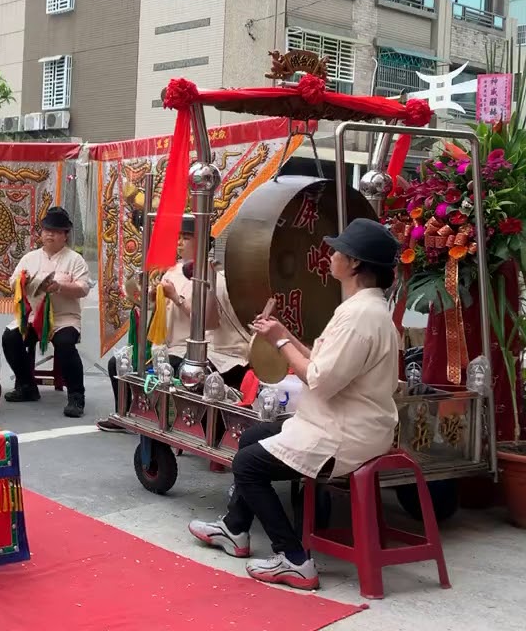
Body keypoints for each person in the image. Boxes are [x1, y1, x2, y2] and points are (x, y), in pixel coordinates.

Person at [189, 218, 401, 590]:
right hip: (343, 421)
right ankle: (236, 529)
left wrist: (281, 343)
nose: (330, 255)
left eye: (338, 250)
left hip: (344, 432)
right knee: (254, 436)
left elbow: (320, 378)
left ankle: (294, 558)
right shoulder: (364, 309)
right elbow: (322, 364)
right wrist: (282, 334)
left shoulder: (360, 316)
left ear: (353, 264)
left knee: (247, 465)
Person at [99, 213, 251, 432]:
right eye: (179, 237)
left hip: (187, 347)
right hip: (166, 343)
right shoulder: (173, 270)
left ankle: (161, 417)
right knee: (118, 363)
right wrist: (154, 297)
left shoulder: (213, 277)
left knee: (167, 367)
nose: (179, 242)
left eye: (187, 237)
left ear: (202, 243)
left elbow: (208, 324)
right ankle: (125, 412)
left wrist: (175, 298)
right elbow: (161, 309)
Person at [1, 206, 92, 418]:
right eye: (46, 230)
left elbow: (83, 288)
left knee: (65, 343)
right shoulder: (30, 258)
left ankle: (76, 396)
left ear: (65, 235)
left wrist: (59, 287)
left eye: (56, 231)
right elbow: (12, 282)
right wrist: (24, 282)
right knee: (10, 337)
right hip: (33, 316)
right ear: (41, 233)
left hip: (63, 318)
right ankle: (26, 385)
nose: (50, 234)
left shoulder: (74, 260)